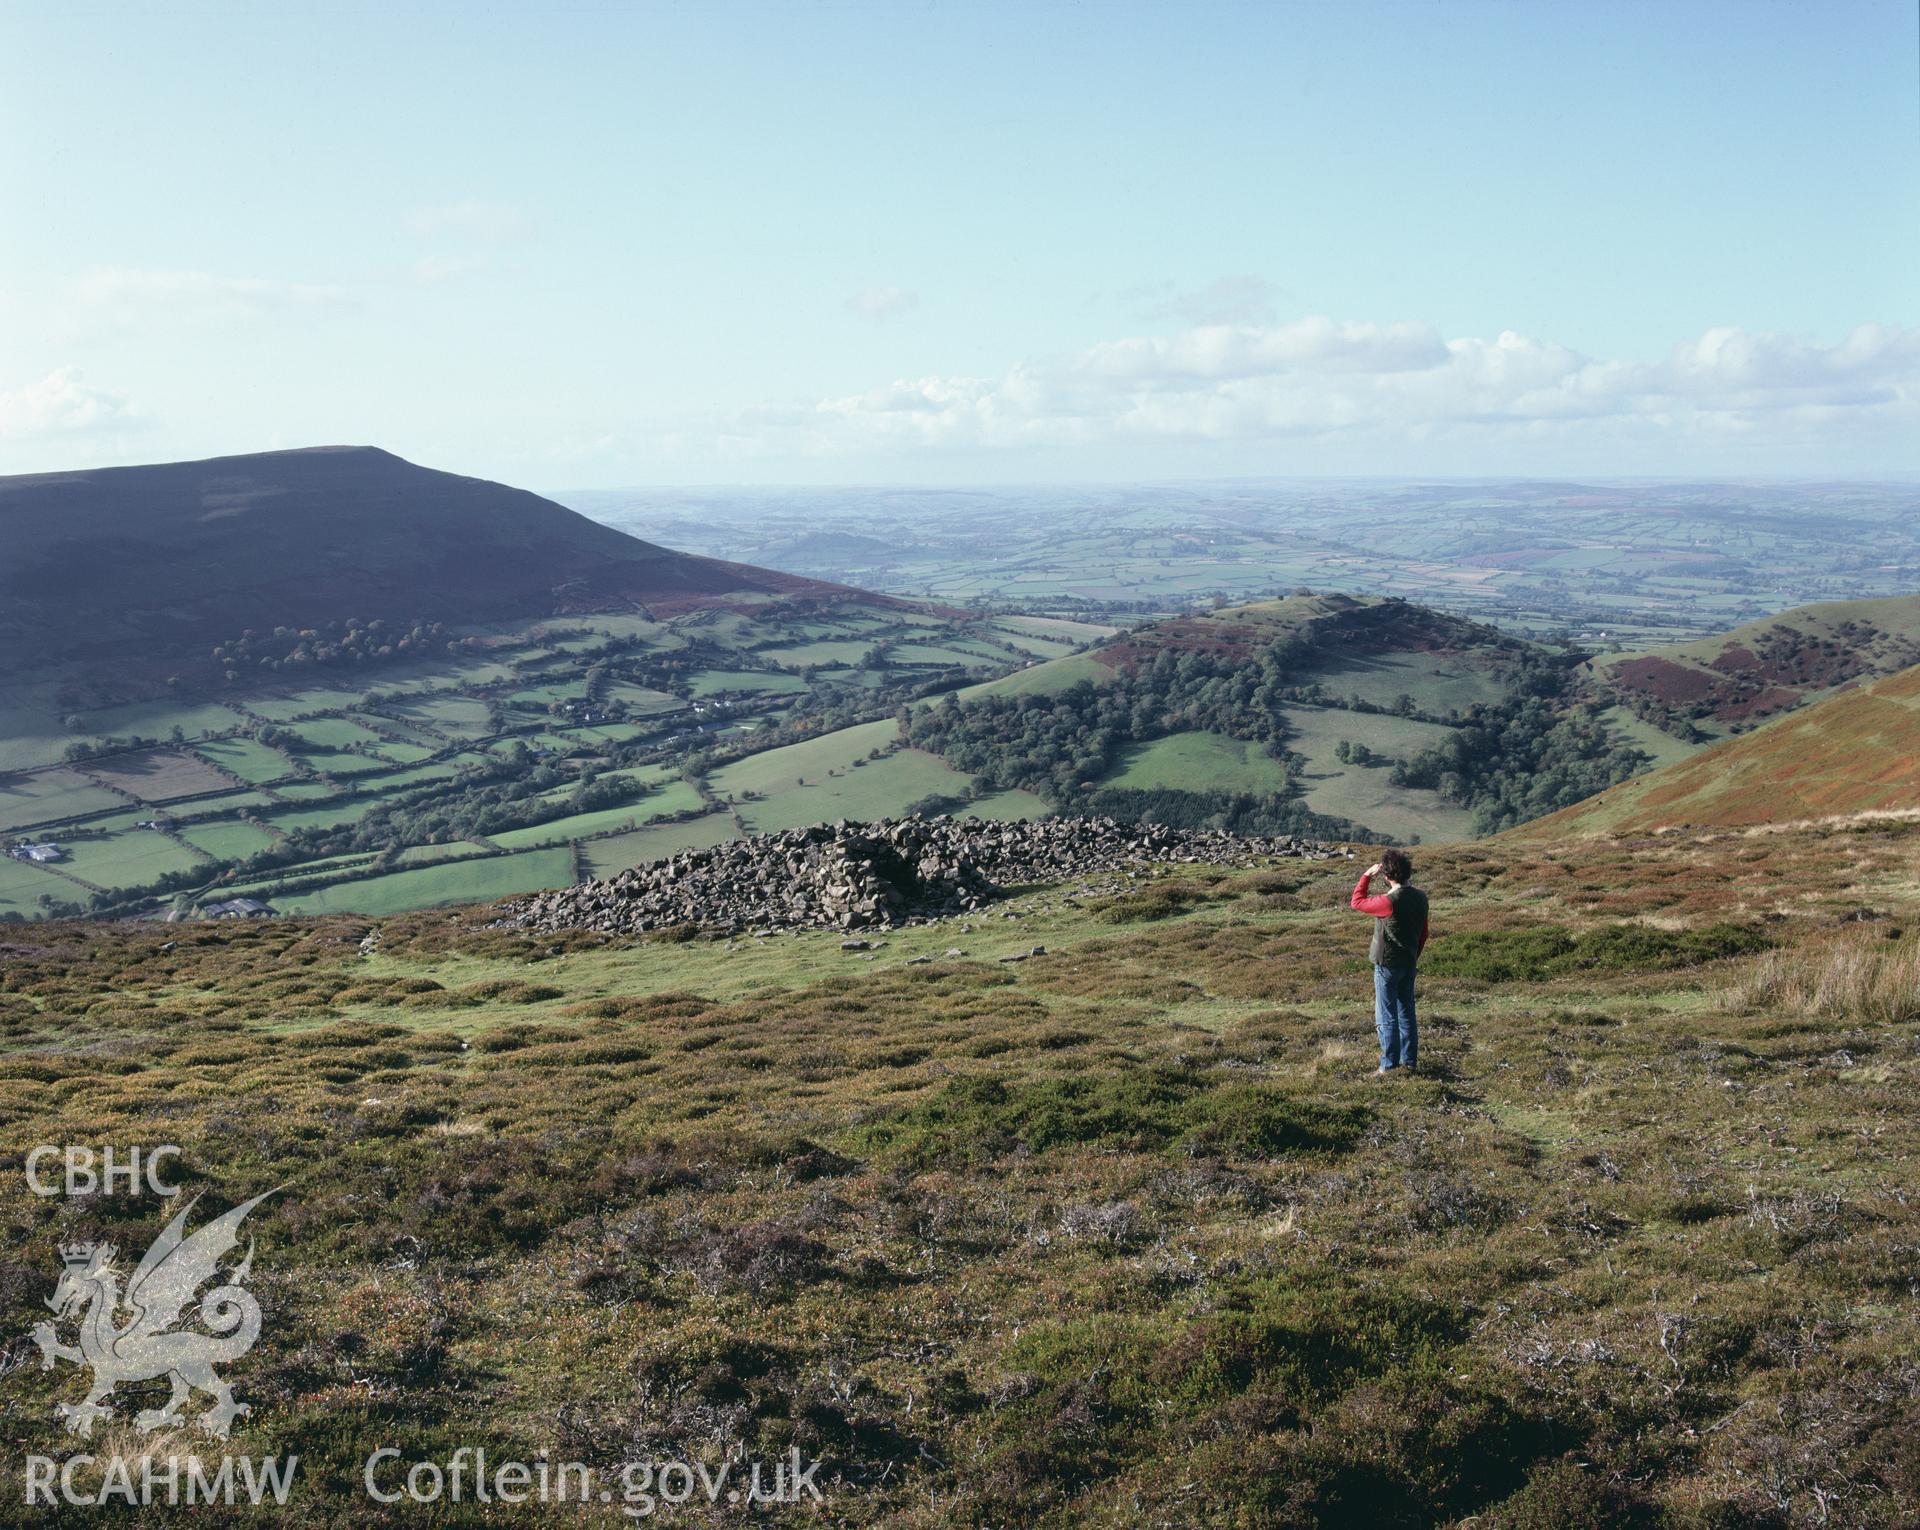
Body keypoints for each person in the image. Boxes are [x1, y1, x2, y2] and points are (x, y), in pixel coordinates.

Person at [1349, 848, 1429, 1076]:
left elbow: (1357, 902)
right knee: (1407, 1013)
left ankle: (1388, 1065)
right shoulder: (1421, 898)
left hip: (1387, 964)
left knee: (1386, 1015)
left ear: (1386, 876)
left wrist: (1366, 876)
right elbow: (1424, 934)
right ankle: (1410, 1061)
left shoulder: (1387, 901)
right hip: (1409, 963)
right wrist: (1414, 956)